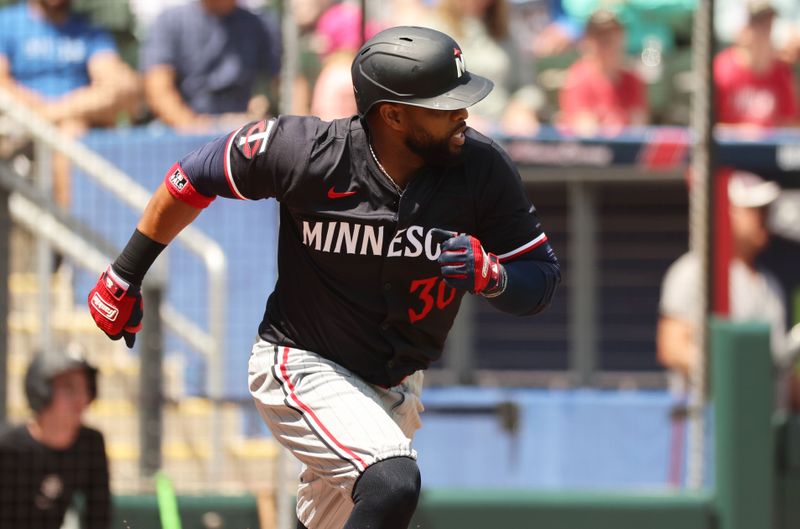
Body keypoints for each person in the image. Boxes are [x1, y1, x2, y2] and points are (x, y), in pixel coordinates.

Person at [87, 25, 560, 529]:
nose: (464, 113)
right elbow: (191, 176)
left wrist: (494, 277)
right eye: (445, 104)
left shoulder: (481, 167)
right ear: (393, 115)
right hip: (300, 362)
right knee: (393, 482)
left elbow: (541, 278)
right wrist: (124, 274)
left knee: (373, 504)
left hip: (393, 387)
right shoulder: (308, 152)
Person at [657, 171, 798, 406]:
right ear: (727, 213)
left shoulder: (769, 284)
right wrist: (736, 374)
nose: (763, 217)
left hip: (765, 425)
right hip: (713, 424)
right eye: (754, 210)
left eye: (765, 210)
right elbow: (672, 346)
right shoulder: (694, 271)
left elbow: (782, 371)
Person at [0, 0, 140, 206]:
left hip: (74, 124)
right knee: (70, 131)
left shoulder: (89, 30)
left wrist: (52, 113)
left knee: (73, 130)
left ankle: (66, 224)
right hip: (19, 126)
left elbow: (116, 86)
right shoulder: (7, 22)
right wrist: (37, 110)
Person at [0, 345, 110, 529]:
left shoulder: (90, 444)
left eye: (85, 388)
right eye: (69, 388)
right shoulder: (8, 449)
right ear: (41, 390)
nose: (81, 398)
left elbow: (99, 517)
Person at [139, 0, 282, 132]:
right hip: (184, 137)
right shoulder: (169, 21)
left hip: (244, 134)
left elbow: (287, 82)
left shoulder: (260, 24)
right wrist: (196, 127)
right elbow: (158, 89)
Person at [427, 0, 544, 136]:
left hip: (502, 130)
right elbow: (426, 89)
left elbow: (527, 85)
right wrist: (456, 115)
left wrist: (522, 107)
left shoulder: (504, 31)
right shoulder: (432, 30)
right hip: (454, 130)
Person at [558, 8, 648, 136]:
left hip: (625, 152)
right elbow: (585, 131)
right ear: (587, 42)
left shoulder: (632, 79)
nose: (608, 43)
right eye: (600, 38)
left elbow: (638, 129)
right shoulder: (578, 78)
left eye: (613, 35)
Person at [714, 0, 798, 129]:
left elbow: (792, 125)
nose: (765, 31)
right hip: (727, 148)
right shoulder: (721, 69)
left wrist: (765, 133)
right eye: (758, 24)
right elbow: (708, 128)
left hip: (769, 148)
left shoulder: (781, 71)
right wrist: (744, 132)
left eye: (769, 24)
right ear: (742, 29)